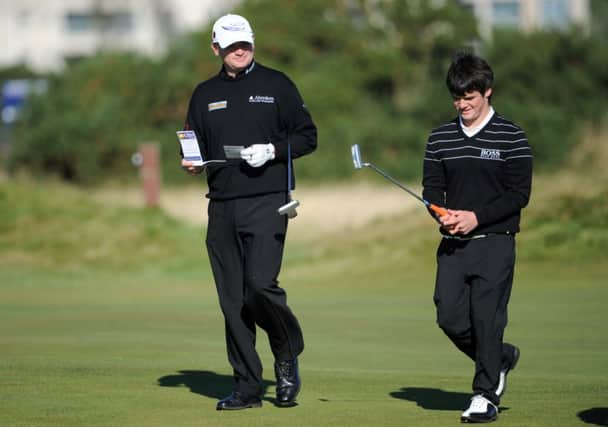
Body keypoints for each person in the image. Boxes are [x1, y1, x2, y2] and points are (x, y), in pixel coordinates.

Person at [180, 13, 317, 410]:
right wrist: (190, 161)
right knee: (232, 301)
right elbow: (194, 142)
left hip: (268, 199)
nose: (240, 50)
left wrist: (272, 150)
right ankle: (247, 387)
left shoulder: (277, 85)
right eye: (232, 44)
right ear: (216, 48)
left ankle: (286, 354)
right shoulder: (204, 93)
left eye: (245, 43)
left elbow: (308, 136)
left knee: (259, 285)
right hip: (221, 204)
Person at [422, 52, 532, 423]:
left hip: (496, 243)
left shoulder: (512, 136)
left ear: (488, 92)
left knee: (487, 320)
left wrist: (476, 217)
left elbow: (519, 195)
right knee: (449, 318)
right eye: (457, 97)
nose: (462, 104)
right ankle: (498, 357)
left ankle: (485, 396)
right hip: (454, 245)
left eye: (469, 97)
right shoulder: (440, 138)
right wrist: (442, 214)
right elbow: (432, 190)